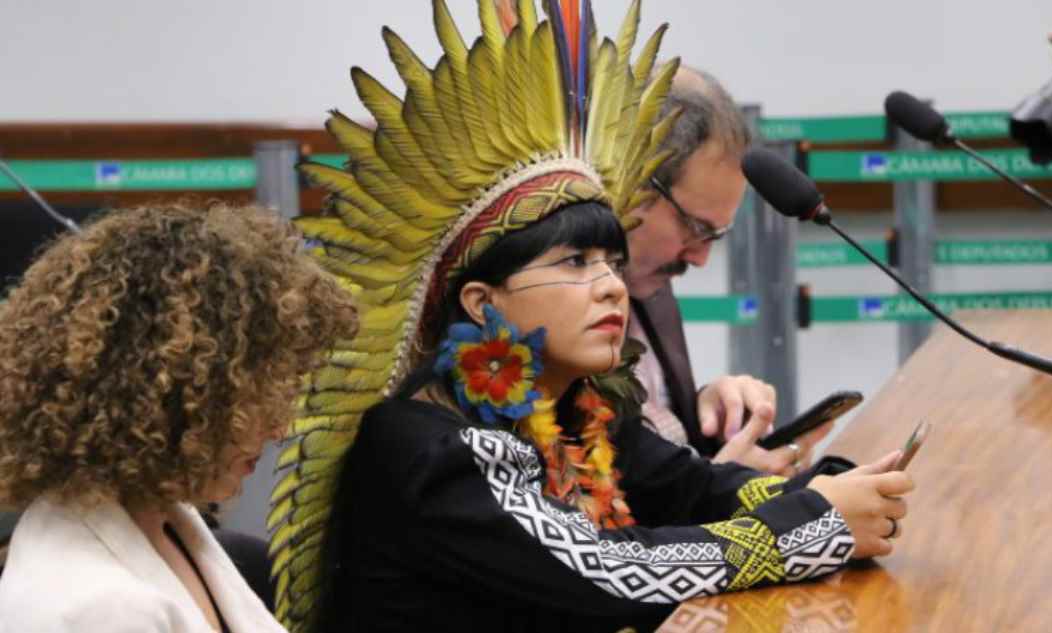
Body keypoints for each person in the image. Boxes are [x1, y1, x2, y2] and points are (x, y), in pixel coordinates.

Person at [267, 2, 915, 632]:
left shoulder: (576, 407)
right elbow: (609, 570)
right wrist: (817, 522)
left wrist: (832, 488)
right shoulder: (428, 450)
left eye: (611, 261)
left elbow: (697, 488)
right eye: (576, 262)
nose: (610, 287)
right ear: (482, 302)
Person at [0, 202, 357, 632]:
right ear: (163, 392)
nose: (279, 428)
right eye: (254, 396)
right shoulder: (96, 606)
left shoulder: (162, 521)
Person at [623, 66, 831, 476]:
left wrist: (708, 416)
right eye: (695, 228)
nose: (700, 258)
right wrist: (728, 486)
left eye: (715, 236)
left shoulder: (649, 283)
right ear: (629, 183)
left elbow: (651, 454)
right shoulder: (545, 310)